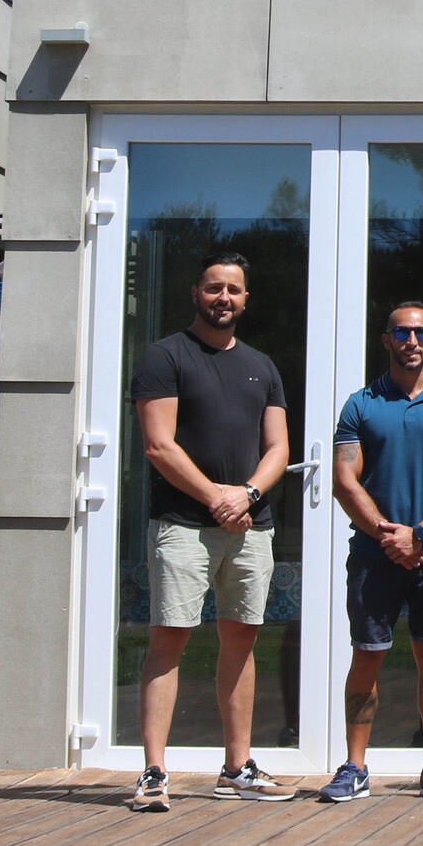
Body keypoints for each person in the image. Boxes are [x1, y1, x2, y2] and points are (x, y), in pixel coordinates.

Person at [126, 251, 298, 810]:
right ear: (195, 293)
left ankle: (237, 766)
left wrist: (247, 495)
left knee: (241, 639)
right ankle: (154, 771)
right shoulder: (165, 356)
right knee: (169, 638)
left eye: (235, 290)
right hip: (183, 525)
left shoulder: (262, 366)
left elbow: (279, 448)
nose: (224, 298)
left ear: (246, 299)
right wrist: (216, 498)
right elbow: (158, 445)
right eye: (214, 288)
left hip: (251, 526)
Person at [319, 302, 423, 805]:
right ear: (385, 339)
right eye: (402, 332)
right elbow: (345, 480)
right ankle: (355, 766)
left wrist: (421, 534)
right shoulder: (360, 404)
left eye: (421, 333)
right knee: (367, 654)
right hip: (374, 553)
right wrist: (388, 534)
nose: (411, 340)